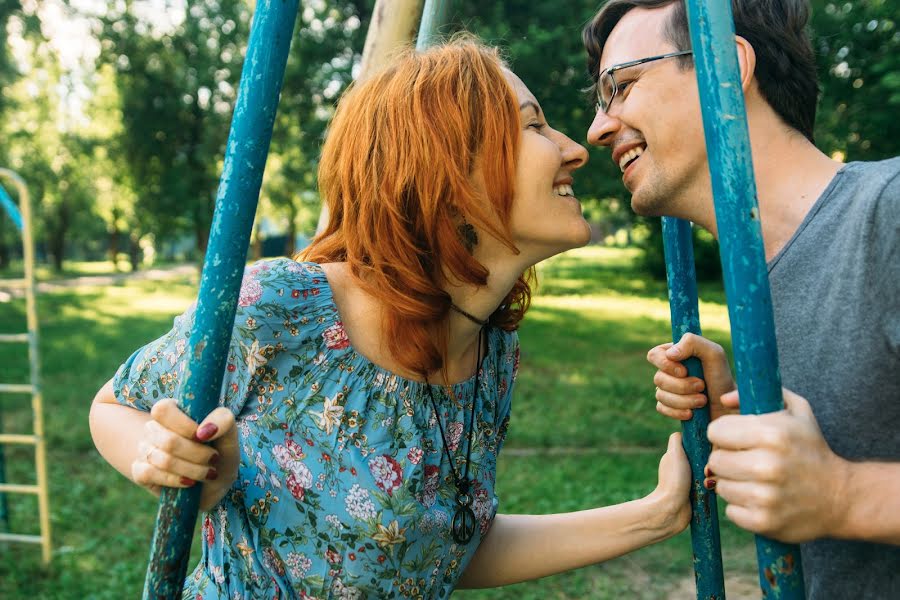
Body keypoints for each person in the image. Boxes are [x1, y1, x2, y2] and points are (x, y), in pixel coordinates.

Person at [89, 39, 691, 598]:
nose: (574, 148)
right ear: (446, 167)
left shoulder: (490, 349)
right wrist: (165, 454)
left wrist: (657, 514)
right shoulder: (281, 309)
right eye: (533, 124)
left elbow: (440, 549)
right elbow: (114, 404)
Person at [583, 0, 900, 597]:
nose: (598, 129)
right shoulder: (770, 274)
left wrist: (843, 496)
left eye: (620, 87)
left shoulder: (889, 210)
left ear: (725, 67)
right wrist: (745, 413)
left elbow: (836, 490)